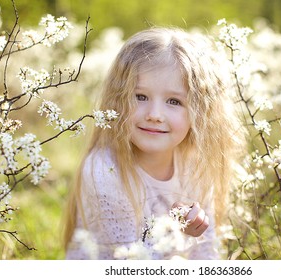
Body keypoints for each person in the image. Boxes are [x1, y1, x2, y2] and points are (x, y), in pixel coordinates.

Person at [63, 26, 244, 259]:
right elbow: (128, 263)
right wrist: (176, 232)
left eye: (174, 101)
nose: (155, 114)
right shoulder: (104, 170)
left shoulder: (195, 164)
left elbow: (207, 250)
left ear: (199, 111)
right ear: (117, 101)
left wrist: (191, 236)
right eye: (140, 97)